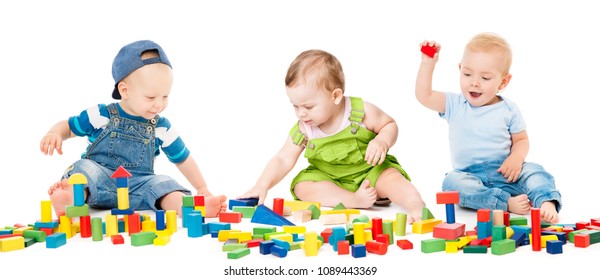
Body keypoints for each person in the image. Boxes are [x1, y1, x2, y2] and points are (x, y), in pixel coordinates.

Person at [40, 40, 227, 218]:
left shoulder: (161, 127)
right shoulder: (102, 114)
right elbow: (70, 127)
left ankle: (189, 206)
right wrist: (55, 133)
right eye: (151, 97)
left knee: (164, 184)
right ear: (125, 90)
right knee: (83, 170)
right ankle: (70, 199)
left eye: (165, 96)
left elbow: (183, 159)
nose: (159, 105)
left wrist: (201, 187)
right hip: (99, 180)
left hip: (139, 186)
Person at [238, 49, 426, 223]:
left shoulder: (360, 112)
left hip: (369, 172)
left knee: (392, 178)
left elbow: (389, 124)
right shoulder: (305, 129)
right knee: (302, 187)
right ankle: (352, 199)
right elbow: (283, 158)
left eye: (308, 107)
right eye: (295, 106)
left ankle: (417, 207)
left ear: (335, 96)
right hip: (330, 178)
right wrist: (262, 185)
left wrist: (382, 140)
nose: (301, 114)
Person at [415, 32, 562, 223]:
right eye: (467, 74)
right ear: (460, 69)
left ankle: (546, 202)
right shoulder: (454, 104)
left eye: (485, 78)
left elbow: (521, 140)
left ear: (503, 81)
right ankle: (505, 203)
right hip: (469, 176)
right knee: (450, 183)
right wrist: (428, 64)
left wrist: (516, 158)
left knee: (535, 171)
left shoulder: (508, 109)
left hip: (507, 172)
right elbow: (424, 96)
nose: (474, 82)